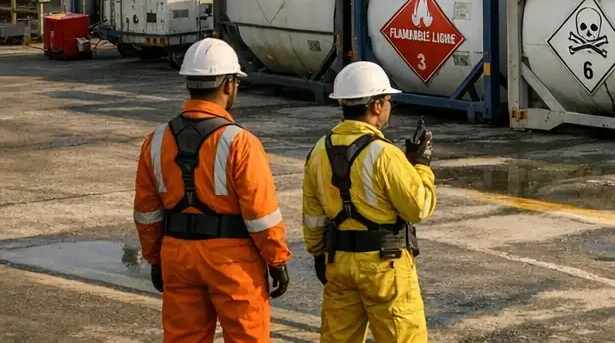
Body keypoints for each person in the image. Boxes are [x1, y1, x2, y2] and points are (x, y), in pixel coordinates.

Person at [133, 38, 291, 343]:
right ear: (229, 85)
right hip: (233, 261)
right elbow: (261, 215)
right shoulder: (241, 143)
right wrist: (276, 259)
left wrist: (155, 258)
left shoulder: (155, 140)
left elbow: (146, 212)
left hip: (177, 255)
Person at [303, 61, 436, 343]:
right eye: (388, 100)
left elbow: (312, 215)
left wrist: (318, 253)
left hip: (338, 263)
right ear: (376, 106)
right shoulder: (383, 154)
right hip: (385, 266)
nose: (389, 106)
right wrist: (421, 165)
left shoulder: (318, 151)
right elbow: (418, 207)